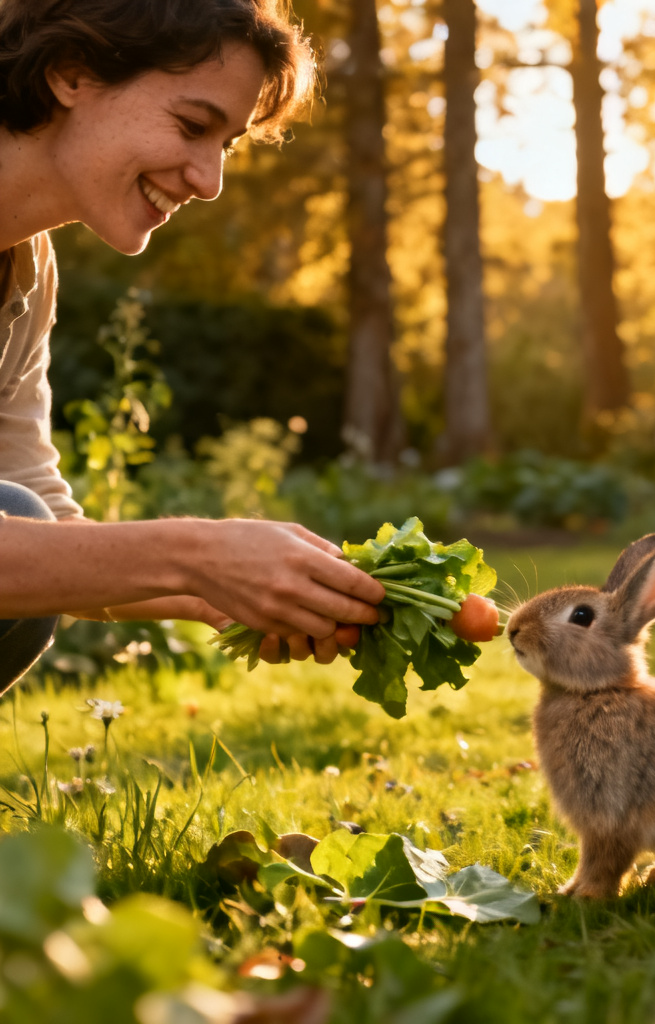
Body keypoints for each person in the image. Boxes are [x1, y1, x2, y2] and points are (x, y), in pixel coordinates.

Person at [0, 0, 386, 692]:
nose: (209, 182)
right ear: (71, 73)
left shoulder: (26, 273)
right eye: (192, 126)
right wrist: (194, 554)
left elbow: (41, 512)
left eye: (226, 145)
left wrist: (218, 591)